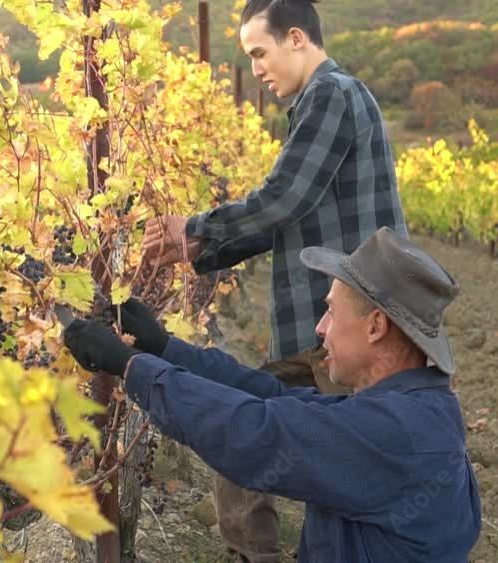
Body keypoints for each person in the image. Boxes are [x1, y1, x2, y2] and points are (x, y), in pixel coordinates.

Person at [140, 0, 407, 557]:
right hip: (319, 325)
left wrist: (193, 225)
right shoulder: (319, 102)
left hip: (352, 326)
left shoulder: (331, 95)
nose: (256, 69)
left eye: (259, 53)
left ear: (295, 38)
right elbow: (290, 220)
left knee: (343, 467)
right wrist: (195, 248)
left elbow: (285, 198)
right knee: (239, 434)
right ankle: (254, 553)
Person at [62, 227, 481, 562]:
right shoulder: (410, 412)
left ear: (375, 327)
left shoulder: (397, 435)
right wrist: (165, 349)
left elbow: (257, 432)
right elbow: (275, 398)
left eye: (332, 311)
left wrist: (132, 368)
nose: (320, 328)